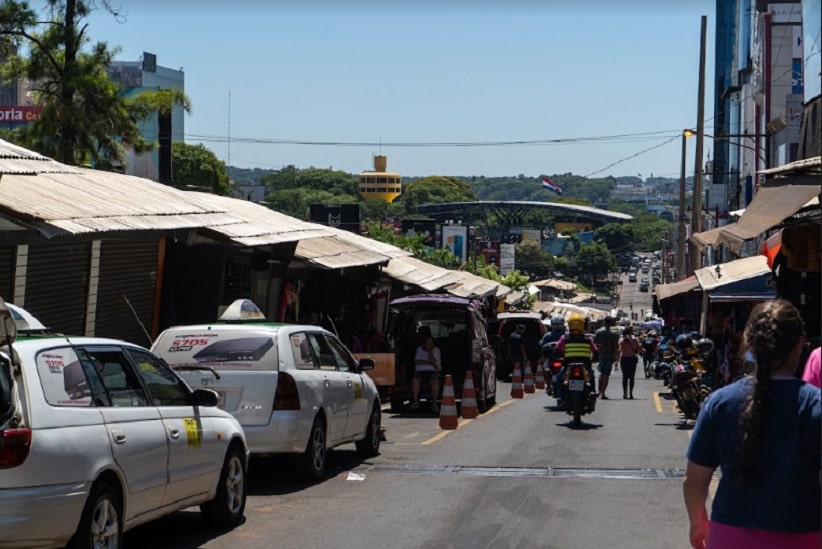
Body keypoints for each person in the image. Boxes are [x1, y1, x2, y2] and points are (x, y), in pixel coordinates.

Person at [683, 299, 821, 548]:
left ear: (748, 343)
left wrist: (697, 522)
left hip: (729, 535)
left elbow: (694, 480)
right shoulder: (815, 404)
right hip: (803, 536)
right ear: (800, 344)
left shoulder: (719, 403)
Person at [556, 314, 597, 408]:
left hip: (568, 366)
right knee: (591, 379)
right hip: (585, 366)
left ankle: (561, 398)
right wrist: (595, 359)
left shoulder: (564, 338)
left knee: (559, 379)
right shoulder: (588, 338)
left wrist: (557, 357)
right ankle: (592, 393)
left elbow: (557, 350)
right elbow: (595, 351)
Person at [411, 332, 442, 413]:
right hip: (420, 371)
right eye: (427, 343)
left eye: (430, 343)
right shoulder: (419, 349)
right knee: (415, 379)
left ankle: (434, 403)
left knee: (435, 381)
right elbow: (417, 361)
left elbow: (435, 365)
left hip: (432, 372)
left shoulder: (436, 350)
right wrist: (429, 362)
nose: (429, 345)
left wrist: (430, 352)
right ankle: (415, 402)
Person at [593, 316, 619, 399]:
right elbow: (615, 346)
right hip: (609, 356)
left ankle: (599, 391)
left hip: (601, 356)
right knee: (606, 375)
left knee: (601, 374)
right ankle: (603, 393)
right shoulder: (614, 334)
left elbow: (595, 343)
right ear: (611, 323)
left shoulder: (599, 332)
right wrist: (616, 356)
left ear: (604, 322)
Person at [616, 325, 641, 399]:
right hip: (632, 359)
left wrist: (617, 360)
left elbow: (619, 350)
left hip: (624, 359)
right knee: (632, 377)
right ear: (631, 331)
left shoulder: (621, 339)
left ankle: (624, 393)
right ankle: (631, 393)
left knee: (625, 377)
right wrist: (643, 350)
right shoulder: (634, 339)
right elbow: (639, 348)